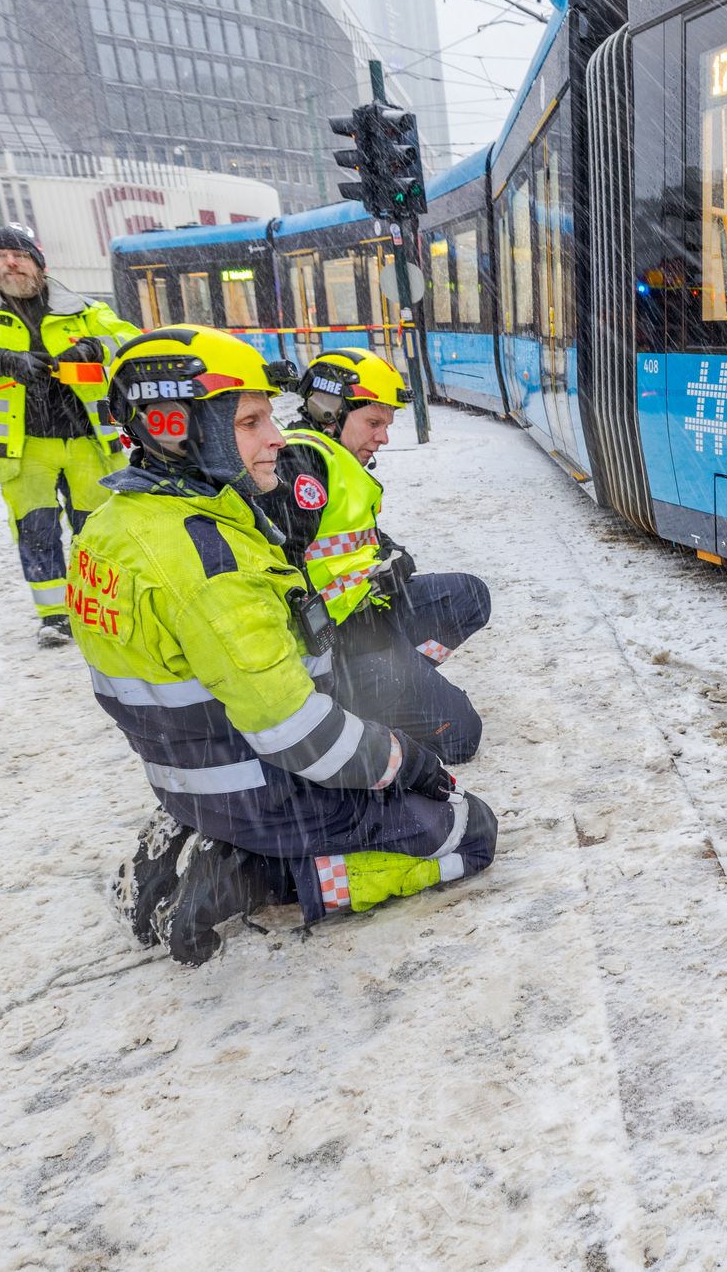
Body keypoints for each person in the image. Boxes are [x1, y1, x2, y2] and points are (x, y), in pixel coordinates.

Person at [68, 325, 498, 966]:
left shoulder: (111, 526)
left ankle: (217, 836)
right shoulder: (207, 562)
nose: (276, 437)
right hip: (262, 782)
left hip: (191, 770)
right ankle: (263, 877)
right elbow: (300, 733)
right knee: (470, 831)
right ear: (172, 425)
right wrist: (405, 760)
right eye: (249, 421)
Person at [253, 346, 489, 762]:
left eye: (387, 424)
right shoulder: (299, 465)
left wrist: (392, 558)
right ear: (329, 410)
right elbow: (278, 573)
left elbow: (349, 538)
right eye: (374, 423)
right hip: (337, 643)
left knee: (470, 596)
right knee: (461, 737)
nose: (383, 436)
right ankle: (365, 703)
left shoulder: (331, 459)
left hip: (371, 618)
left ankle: (395, 685)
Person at [0, 223, 136, 645]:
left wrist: (95, 347)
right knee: (35, 529)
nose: (9, 263)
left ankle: (100, 603)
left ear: (38, 262)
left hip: (86, 438)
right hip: (23, 445)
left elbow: (128, 340)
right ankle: (55, 615)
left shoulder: (79, 307)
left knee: (97, 528)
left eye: (17, 254)